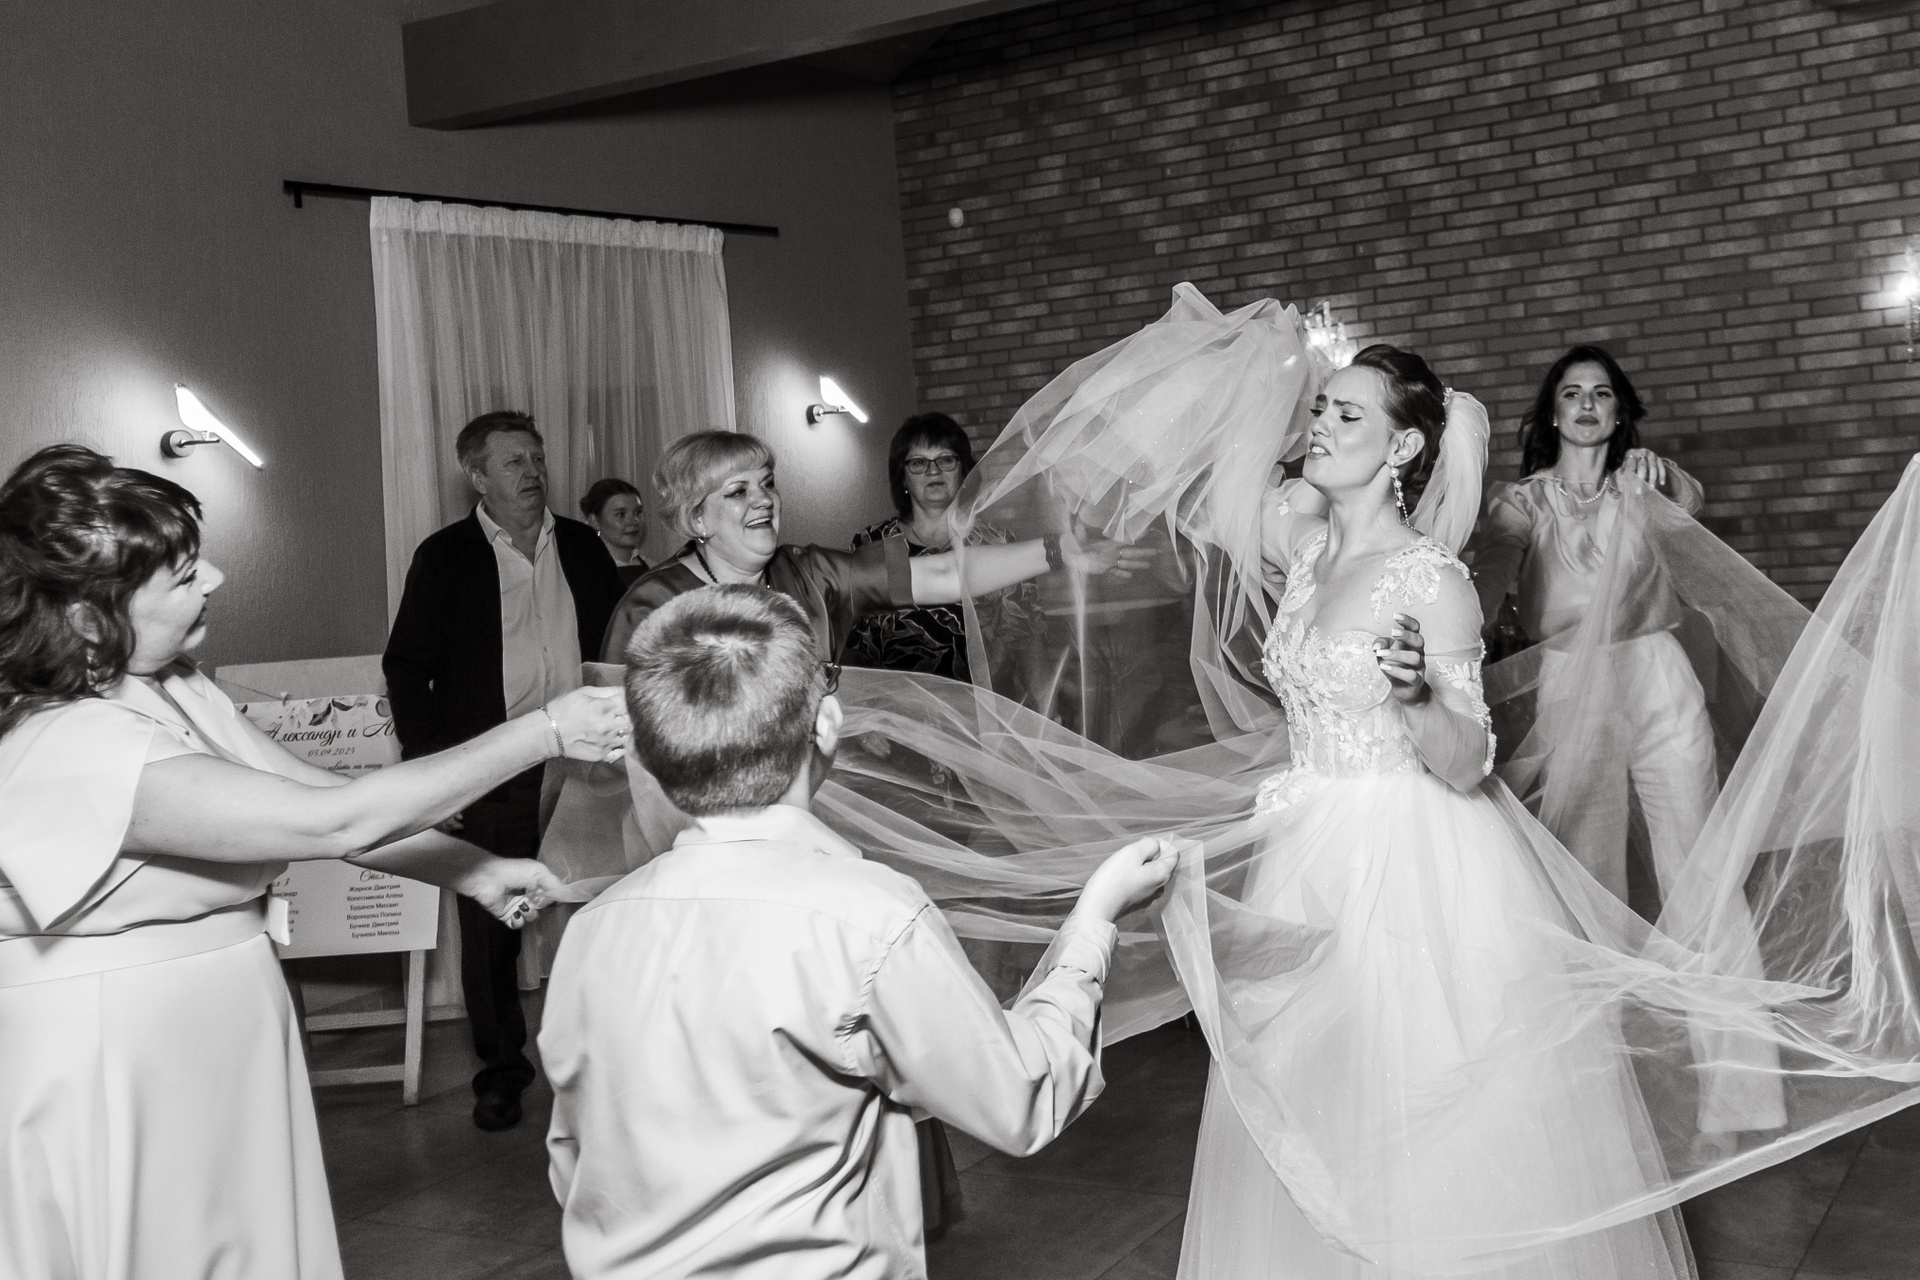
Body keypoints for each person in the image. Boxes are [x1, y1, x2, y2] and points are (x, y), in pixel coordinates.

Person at [0, 445, 629, 1280]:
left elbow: (324, 793)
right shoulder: (68, 741)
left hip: (219, 1014)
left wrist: (471, 870)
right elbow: (331, 824)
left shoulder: (171, 686)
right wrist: (546, 730)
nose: (216, 577)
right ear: (88, 619)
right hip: (120, 1044)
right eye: (184, 575)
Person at [539, 584, 1178, 1279]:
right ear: (826, 724)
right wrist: (1092, 921)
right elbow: (1022, 1097)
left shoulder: (591, 930)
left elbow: (576, 1164)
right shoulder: (868, 919)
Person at [384, 409, 627, 1131]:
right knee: (495, 924)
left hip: (587, 764)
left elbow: (620, 647)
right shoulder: (445, 556)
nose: (532, 472)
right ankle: (500, 1073)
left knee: (601, 909)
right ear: (477, 475)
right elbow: (407, 667)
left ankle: (609, 1061)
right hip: (495, 766)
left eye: (537, 458)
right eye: (514, 461)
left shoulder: (581, 546)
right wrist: (434, 773)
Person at [1467, 346, 1720, 912]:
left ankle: (1715, 968)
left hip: (1656, 671)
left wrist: (1657, 472)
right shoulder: (1522, 500)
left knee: (1696, 843)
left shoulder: (1641, 485)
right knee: (1587, 857)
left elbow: (1691, 500)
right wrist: (1456, 619)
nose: (1587, 403)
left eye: (1601, 393)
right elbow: (1495, 568)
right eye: (1572, 393)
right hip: (1572, 679)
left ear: (1618, 413)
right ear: (1553, 414)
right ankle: (1602, 971)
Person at [598, 430, 1147, 663]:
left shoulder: (812, 574)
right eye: (738, 491)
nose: (763, 499)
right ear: (696, 516)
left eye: (767, 483)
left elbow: (943, 575)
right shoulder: (653, 607)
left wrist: (1058, 550)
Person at [842, 413, 1040, 686]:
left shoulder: (1000, 543)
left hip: (985, 706)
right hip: (894, 705)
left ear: (964, 470)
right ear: (902, 478)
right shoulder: (871, 544)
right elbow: (853, 644)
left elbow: (1029, 642)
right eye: (918, 462)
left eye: (946, 460)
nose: (933, 471)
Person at [581, 477, 650, 585]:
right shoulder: (584, 572)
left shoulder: (654, 569)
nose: (634, 521)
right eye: (621, 514)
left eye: (638, 512)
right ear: (594, 521)